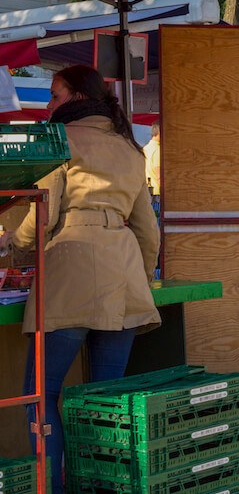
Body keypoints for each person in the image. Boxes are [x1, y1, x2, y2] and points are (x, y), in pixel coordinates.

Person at [0, 65, 160, 494]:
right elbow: (148, 232)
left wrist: (9, 245)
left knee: (41, 393)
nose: (48, 105)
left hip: (71, 270)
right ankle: (103, 486)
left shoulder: (61, 140)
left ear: (74, 96)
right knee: (105, 401)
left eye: (54, 95)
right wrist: (140, 282)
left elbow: (41, 215)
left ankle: (48, 487)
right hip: (124, 277)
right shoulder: (130, 148)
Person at [143, 122, 161, 202]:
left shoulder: (145, 148)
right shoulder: (158, 150)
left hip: (147, 192)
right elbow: (159, 176)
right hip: (158, 194)